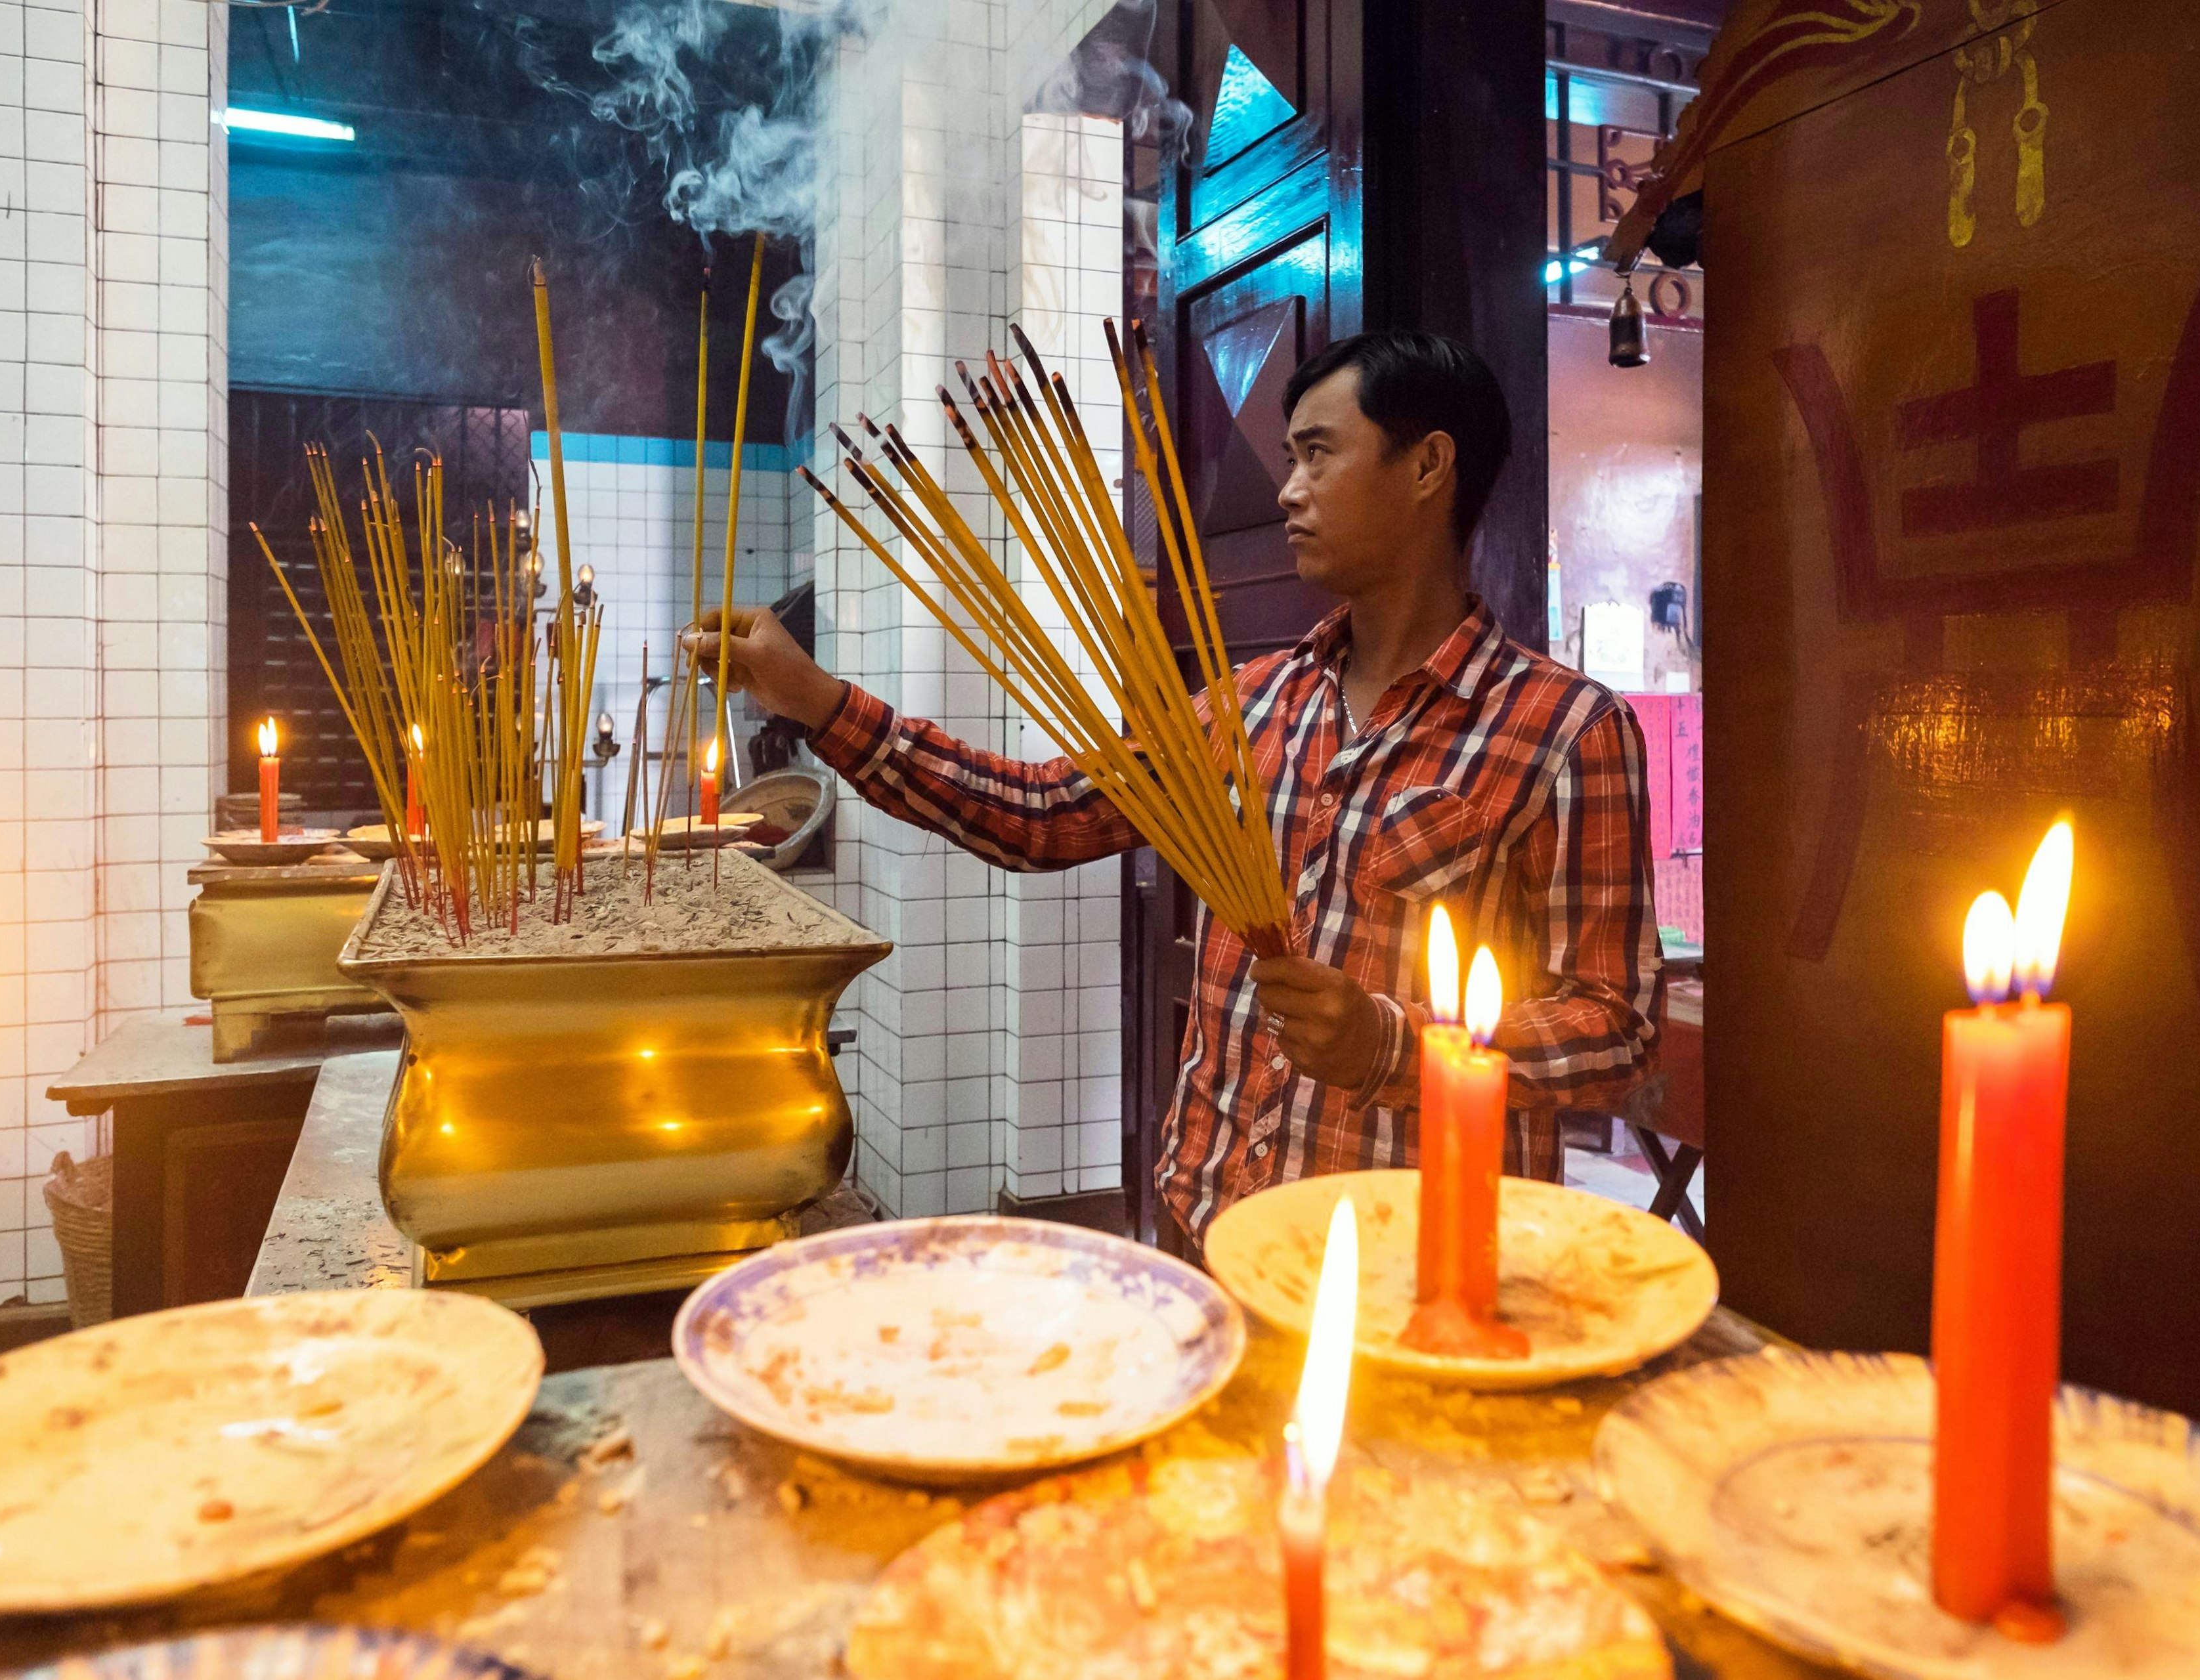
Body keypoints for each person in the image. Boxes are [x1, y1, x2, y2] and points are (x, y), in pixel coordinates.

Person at [692, 330, 1660, 1253]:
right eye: (1288, 458)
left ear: (1426, 467)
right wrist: (814, 699)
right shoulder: (1248, 705)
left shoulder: (1564, 732)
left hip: (1408, 1251)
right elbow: (1045, 816)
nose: (1286, 491)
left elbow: (1615, 1026)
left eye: (1318, 455)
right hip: (1211, 1214)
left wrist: (1392, 1045)